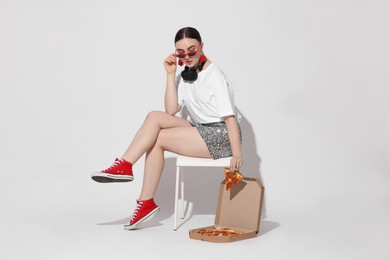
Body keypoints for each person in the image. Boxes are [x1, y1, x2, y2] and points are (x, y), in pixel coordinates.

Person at [91, 27, 243, 230]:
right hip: (199, 129)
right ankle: (126, 169)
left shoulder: (214, 75)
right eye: (181, 52)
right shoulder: (185, 74)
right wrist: (170, 75)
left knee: (158, 138)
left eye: (192, 50)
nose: (187, 56)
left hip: (221, 135)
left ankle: (142, 196)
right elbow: (170, 110)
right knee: (154, 118)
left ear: (201, 47)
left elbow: (230, 118)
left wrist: (237, 153)